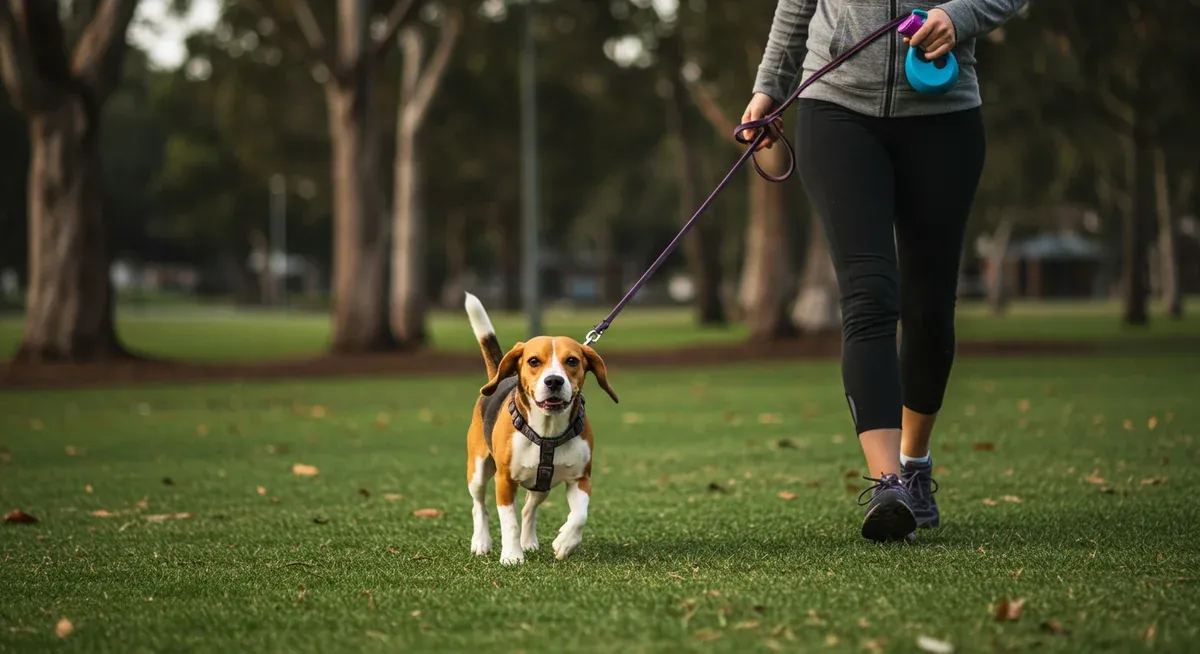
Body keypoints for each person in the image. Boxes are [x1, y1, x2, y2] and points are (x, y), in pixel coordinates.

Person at [742, 0, 1027, 543]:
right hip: (837, 111)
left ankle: (914, 463)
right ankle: (888, 482)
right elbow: (797, 5)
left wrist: (959, 15)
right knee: (870, 295)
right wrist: (768, 89)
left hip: (944, 115)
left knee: (929, 306)